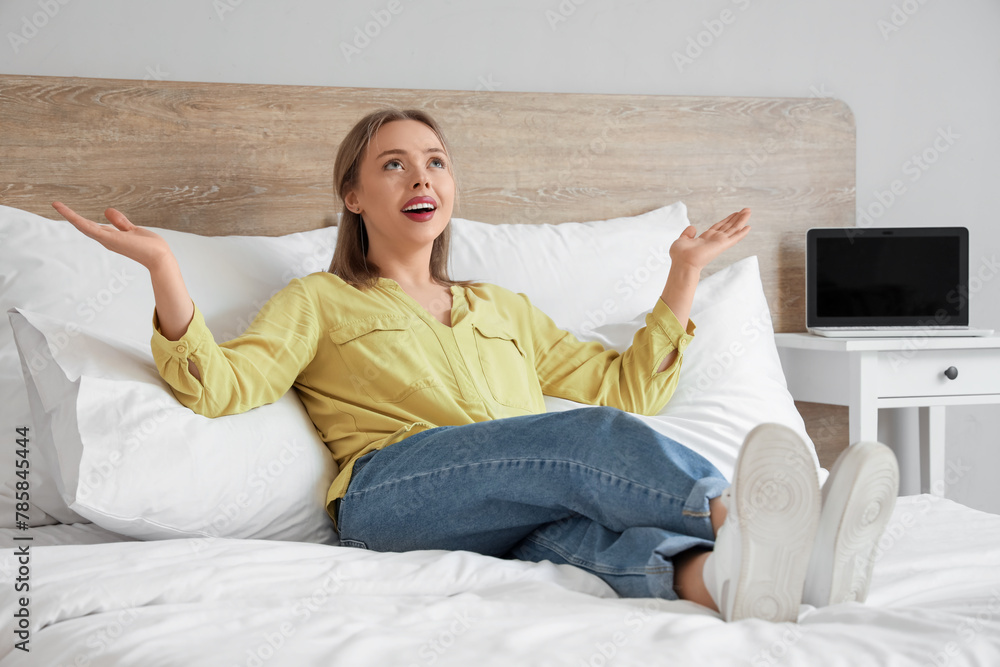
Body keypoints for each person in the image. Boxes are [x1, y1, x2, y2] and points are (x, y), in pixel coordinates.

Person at [52, 108, 899, 623]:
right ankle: (743, 514)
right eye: (393, 164)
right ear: (353, 196)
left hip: (508, 503)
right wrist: (165, 271)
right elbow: (221, 386)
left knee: (586, 541)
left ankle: (735, 578)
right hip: (393, 496)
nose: (419, 176)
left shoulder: (502, 307)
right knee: (585, 438)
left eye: (435, 162)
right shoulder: (320, 300)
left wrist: (682, 273)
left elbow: (630, 387)